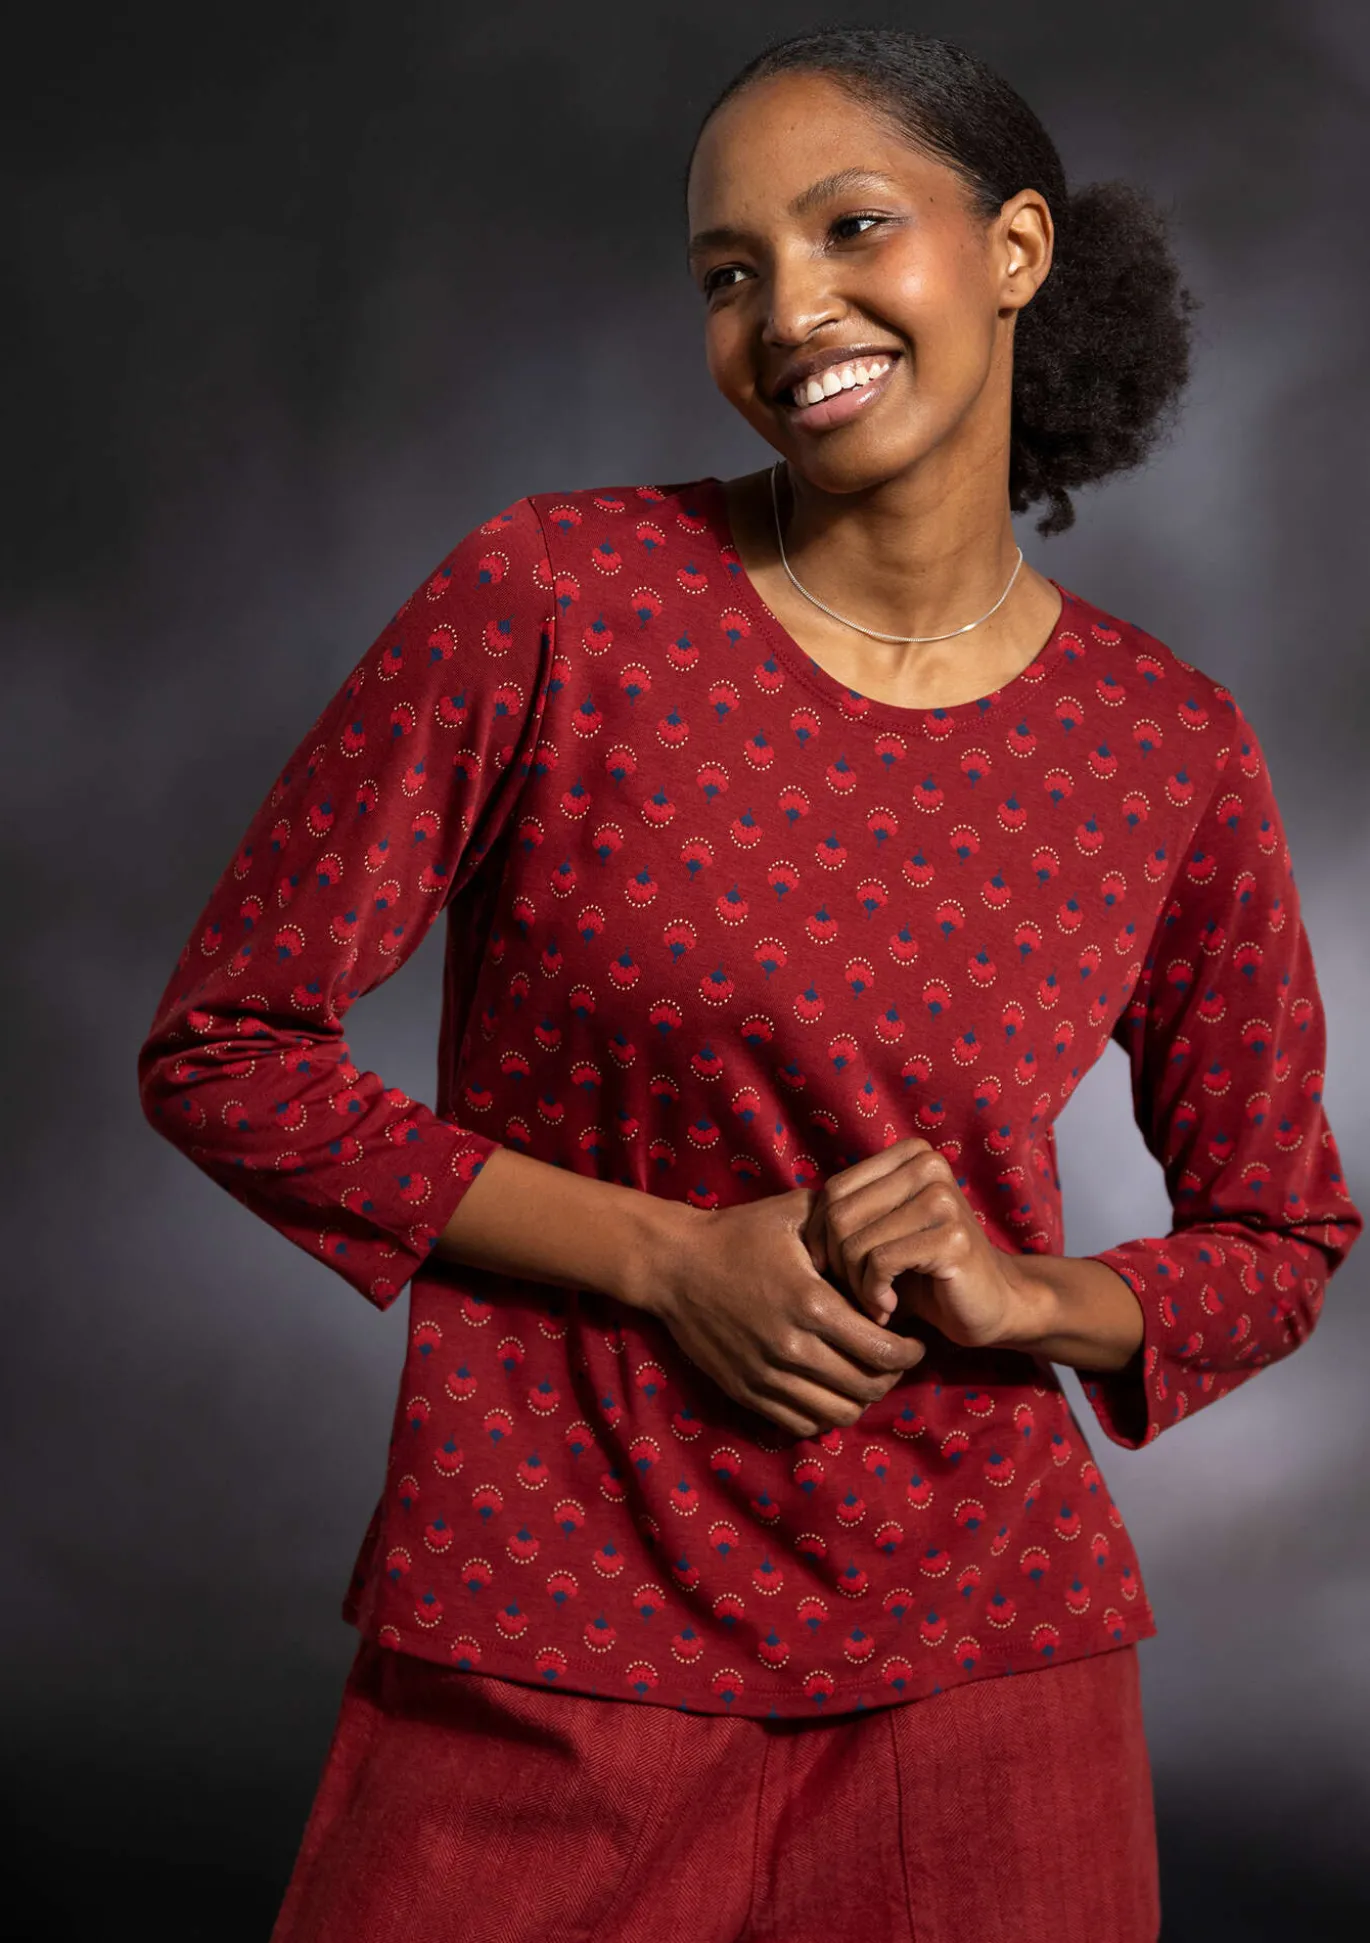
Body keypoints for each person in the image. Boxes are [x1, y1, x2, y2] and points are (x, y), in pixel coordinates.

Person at [137, 27, 1362, 1943]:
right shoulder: (559, 600)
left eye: (849, 227)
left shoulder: (1166, 746)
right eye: (728, 271)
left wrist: (1031, 1293)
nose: (787, 313)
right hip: (549, 1610)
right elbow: (228, 1049)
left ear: (1014, 250)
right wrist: (664, 1257)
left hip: (982, 1670)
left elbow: (1279, 1233)